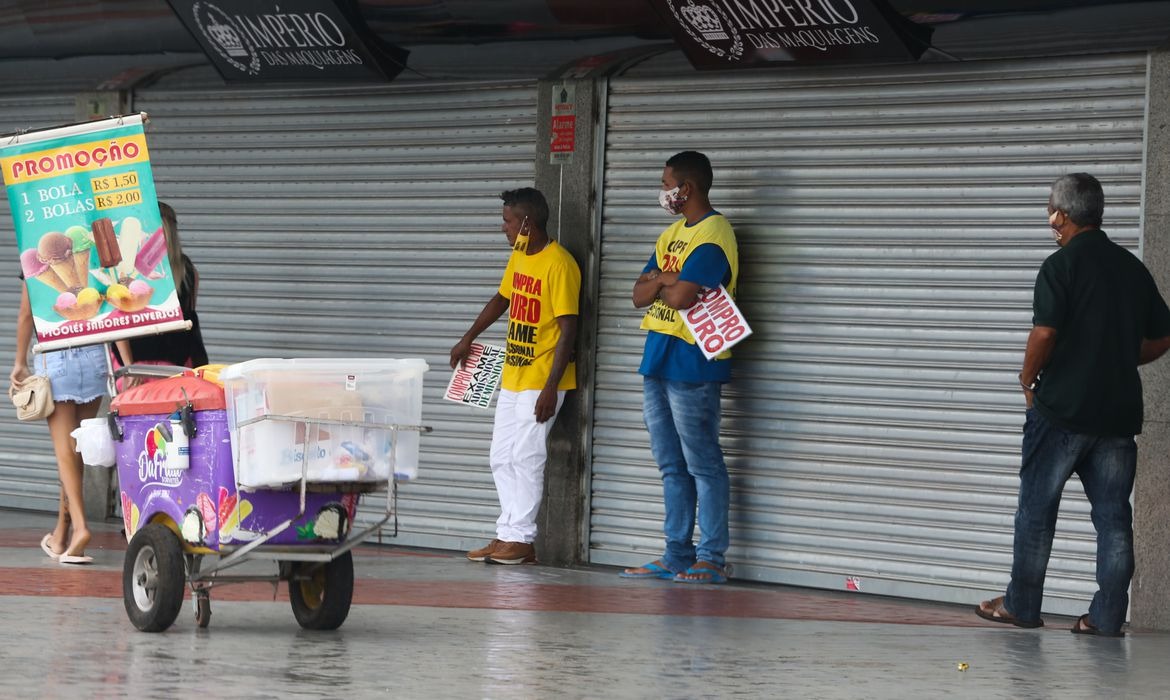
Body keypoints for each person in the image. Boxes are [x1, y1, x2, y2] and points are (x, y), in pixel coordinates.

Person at [976, 173, 1170, 636]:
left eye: (1051, 209)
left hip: (1061, 411)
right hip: (1117, 415)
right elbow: (1162, 336)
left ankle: (1021, 605)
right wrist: (1125, 355)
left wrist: (1027, 380)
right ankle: (1105, 619)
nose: (1050, 217)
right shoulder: (1131, 268)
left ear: (1061, 215)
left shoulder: (1059, 266)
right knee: (1112, 519)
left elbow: (1044, 333)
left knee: (1036, 512)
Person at [621, 151, 739, 584]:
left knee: (703, 462)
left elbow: (679, 298)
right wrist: (668, 279)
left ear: (685, 188)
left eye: (666, 182)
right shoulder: (670, 234)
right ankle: (676, 554)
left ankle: (710, 557)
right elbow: (637, 294)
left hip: (694, 362)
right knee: (670, 463)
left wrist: (663, 281)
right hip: (658, 358)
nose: (664, 190)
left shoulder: (715, 233)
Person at [451, 187, 581, 565]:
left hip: (542, 379)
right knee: (500, 456)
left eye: (508, 221)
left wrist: (551, 387)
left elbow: (569, 327)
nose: (503, 228)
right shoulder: (520, 256)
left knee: (526, 456)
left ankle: (521, 540)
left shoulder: (560, 264)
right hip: (513, 374)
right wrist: (468, 338)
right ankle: (507, 533)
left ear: (527, 222)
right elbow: (502, 299)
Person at [10, 285, 106, 565]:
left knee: (65, 452)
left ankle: (80, 527)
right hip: (95, 355)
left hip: (55, 353)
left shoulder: (34, 246)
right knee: (77, 451)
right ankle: (61, 534)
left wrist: (19, 362)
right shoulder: (94, 249)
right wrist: (125, 362)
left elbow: (26, 315)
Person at [113, 202, 209, 385]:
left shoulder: (130, 269)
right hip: (171, 364)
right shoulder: (186, 269)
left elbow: (117, 324)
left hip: (146, 364)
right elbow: (189, 318)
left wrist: (129, 367)